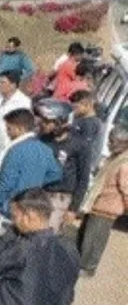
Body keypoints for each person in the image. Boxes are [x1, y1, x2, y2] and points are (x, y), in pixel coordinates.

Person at [0, 109, 62, 217]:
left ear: (20, 128)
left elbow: (6, 181)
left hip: (8, 206)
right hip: (29, 203)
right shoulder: (45, 150)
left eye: (9, 129)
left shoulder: (15, 150)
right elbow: (56, 173)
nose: (7, 133)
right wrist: (35, 181)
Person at [34, 99, 91, 232]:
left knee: (46, 239)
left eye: (47, 121)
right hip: (37, 195)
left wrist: (73, 209)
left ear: (60, 122)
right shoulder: (40, 139)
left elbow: (83, 179)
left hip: (59, 200)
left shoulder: (80, 145)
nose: (42, 123)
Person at [78, 126, 128, 276]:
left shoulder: (125, 163)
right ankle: (82, 263)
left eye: (113, 142)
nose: (109, 145)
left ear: (125, 143)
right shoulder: (114, 157)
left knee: (95, 240)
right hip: (98, 203)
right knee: (87, 236)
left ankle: (88, 267)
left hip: (108, 208)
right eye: (110, 141)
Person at [70, 90, 104, 172]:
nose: (74, 110)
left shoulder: (91, 124)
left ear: (87, 105)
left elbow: (84, 148)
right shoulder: (81, 118)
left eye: (76, 107)